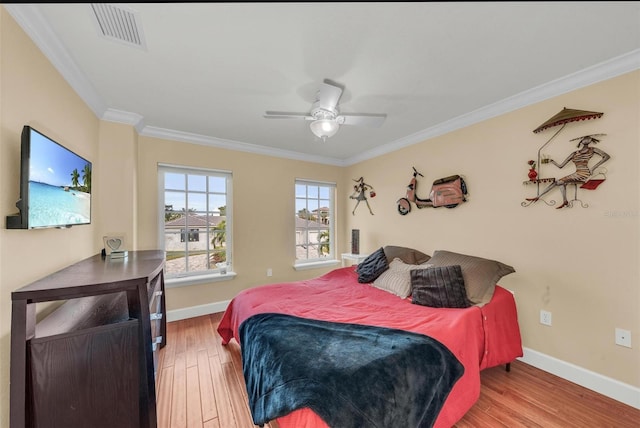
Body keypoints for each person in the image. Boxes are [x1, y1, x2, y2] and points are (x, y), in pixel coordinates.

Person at [527, 134, 610, 209]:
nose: (587, 139)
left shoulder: (593, 149)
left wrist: (593, 167)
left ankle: (541, 197)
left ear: (591, 140)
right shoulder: (574, 153)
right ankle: (560, 200)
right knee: (558, 182)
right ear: (581, 141)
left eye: (588, 138)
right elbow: (561, 166)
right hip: (577, 173)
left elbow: (606, 156)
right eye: (584, 138)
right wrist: (552, 161)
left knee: (559, 182)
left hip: (584, 173)